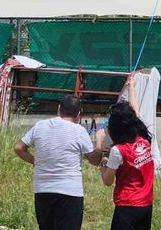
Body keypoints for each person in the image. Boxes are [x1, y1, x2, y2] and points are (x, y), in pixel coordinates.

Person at [14, 95, 103, 230]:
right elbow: (95, 160)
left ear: (59, 108)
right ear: (79, 115)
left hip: (42, 190)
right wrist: (100, 143)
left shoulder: (40, 126)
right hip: (70, 192)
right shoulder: (79, 131)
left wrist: (35, 161)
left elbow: (19, 148)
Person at [97, 93, 155, 230]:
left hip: (127, 205)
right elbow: (135, 113)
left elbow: (107, 181)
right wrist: (131, 87)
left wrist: (101, 153)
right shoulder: (144, 140)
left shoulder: (119, 151)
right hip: (146, 204)